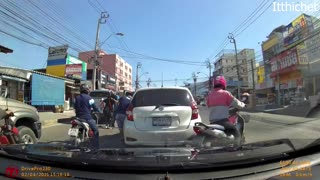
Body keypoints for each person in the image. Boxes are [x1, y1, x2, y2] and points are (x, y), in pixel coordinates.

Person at [206, 75, 246, 146]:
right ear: (224, 83)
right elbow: (237, 103)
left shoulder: (209, 95)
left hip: (212, 123)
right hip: (223, 122)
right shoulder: (225, 93)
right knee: (236, 134)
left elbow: (208, 106)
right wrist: (243, 104)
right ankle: (238, 150)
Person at [74, 84, 101, 151]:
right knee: (96, 131)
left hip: (78, 118)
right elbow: (94, 107)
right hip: (87, 118)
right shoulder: (90, 98)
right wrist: (98, 111)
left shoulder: (77, 98)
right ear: (87, 90)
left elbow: (75, 106)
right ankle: (96, 147)